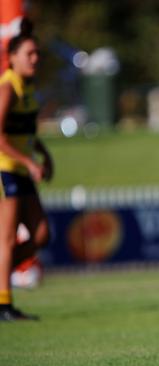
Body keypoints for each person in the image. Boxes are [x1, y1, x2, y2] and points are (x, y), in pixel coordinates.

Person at [0, 19, 51, 321]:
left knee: (42, 234)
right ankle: (3, 305)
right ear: (13, 57)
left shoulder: (29, 88)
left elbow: (26, 131)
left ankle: (0, 278)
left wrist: (44, 154)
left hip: (21, 168)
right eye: (30, 54)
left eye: (37, 54)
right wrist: (30, 162)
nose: (35, 59)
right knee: (6, 239)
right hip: (6, 169)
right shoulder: (8, 88)